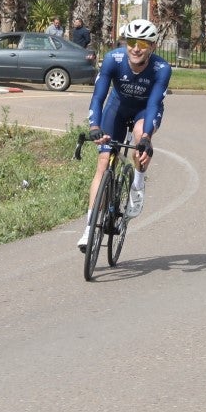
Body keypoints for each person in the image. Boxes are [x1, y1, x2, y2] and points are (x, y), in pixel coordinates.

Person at [79, 18, 171, 253]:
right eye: (131, 41)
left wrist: (146, 138)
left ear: (152, 46)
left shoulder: (161, 69)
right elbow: (99, 97)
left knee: (140, 139)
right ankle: (89, 228)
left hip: (144, 110)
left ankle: (137, 185)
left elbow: (153, 104)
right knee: (103, 163)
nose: (136, 47)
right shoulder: (113, 59)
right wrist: (94, 127)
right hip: (117, 109)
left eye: (142, 42)